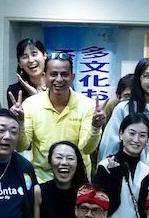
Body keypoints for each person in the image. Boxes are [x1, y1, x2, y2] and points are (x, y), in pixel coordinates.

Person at [18, 53, 98, 183]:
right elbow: (22, 146)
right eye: (54, 74)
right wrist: (19, 122)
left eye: (64, 74)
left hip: (77, 181)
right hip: (42, 180)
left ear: (72, 77)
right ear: (44, 77)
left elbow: (87, 148)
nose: (59, 79)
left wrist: (96, 126)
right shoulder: (30, 104)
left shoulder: (87, 105)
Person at [100, 58, 149, 169]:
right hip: (131, 178)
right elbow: (109, 148)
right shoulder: (124, 109)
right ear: (138, 79)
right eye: (147, 76)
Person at [93, 112, 149, 218]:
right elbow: (106, 209)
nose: (136, 140)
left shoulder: (148, 172)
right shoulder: (105, 166)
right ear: (121, 134)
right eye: (131, 133)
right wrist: (116, 176)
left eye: (142, 135)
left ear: (148, 139)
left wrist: (146, 186)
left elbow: (146, 215)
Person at [32, 141, 89, 218]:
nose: (64, 162)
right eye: (58, 157)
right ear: (50, 162)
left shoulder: (85, 193)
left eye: (70, 158)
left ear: (77, 163)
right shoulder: (39, 191)